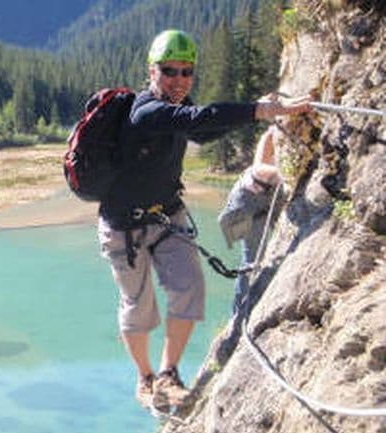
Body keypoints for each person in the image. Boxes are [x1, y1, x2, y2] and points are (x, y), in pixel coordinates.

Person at [96, 29, 313, 409]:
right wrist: (257, 108)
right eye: (169, 71)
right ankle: (145, 378)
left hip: (167, 217)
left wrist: (256, 114)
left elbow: (203, 129)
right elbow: (198, 117)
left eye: (186, 72)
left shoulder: (177, 107)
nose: (179, 80)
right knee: (138, 305)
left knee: (190, 287)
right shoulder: (146, 112)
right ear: (152, 71)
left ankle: (169, 373)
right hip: (123, 228)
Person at [219, 124, 285, 315]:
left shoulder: (271, 138)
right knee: (251, 258)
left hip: (253, 205)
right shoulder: (265, 168)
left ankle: (241, 309)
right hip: (245, 210)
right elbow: (272, 172)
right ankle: (240, 312)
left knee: (255, 256)